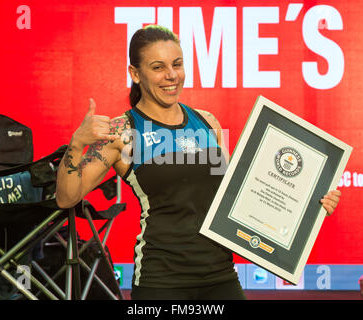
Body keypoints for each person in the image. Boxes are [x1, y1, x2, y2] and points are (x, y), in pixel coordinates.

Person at [56, 25, 341, 300]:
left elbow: (234, 200)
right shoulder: (123, 132)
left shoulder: (208, 122)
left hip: (220, 274)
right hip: (161, 279)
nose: (171, 76)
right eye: (158, 67)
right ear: (135, 73)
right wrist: (78, 144)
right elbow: (67, 198)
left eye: (177, 64)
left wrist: (307, 207)